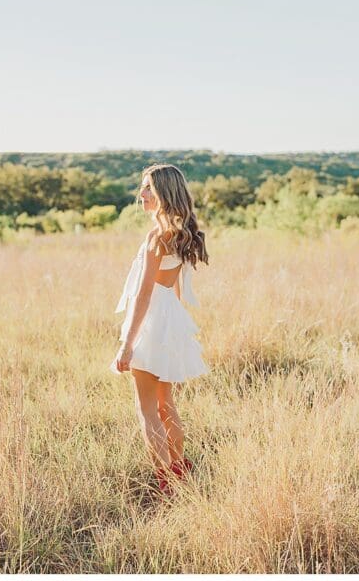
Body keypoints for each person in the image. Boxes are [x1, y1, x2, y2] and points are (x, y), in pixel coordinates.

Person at [111, 163, 210, 495]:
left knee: (147, 408)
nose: (142, 194)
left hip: (153, 319)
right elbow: (179, 288)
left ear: (164, 193)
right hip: (171, 318)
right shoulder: (182, 233)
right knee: (166, 403)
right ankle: (179, 468)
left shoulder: (157, 236)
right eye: (142, 187)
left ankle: (165, 482)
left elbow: (143, 293)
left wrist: (127, 344)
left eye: (148, 188)